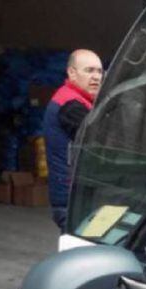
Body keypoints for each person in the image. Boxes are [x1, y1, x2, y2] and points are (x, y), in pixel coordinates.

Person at [43, 49, 103, 231]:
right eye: (89, 70)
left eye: (100, 71)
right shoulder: (70, 105)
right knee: (85, 251)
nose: (96, 77)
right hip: (72, 199)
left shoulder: (81, 101)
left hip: (78, 196)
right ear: (72, 73)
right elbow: (103, 142)